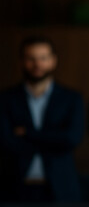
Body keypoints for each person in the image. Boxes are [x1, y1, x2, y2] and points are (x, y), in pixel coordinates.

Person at [0, 36, 84, 202]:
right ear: (22, 62)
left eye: (43, 58)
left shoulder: (71, 98)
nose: (37, 64)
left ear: (53, 61)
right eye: (31, 58)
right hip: (15, 188)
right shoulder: (6, 98)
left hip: (61, 189)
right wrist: (53, 138)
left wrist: (28, 133)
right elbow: (5, 141)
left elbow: (71, 138)